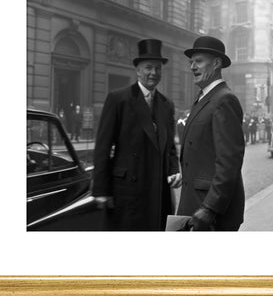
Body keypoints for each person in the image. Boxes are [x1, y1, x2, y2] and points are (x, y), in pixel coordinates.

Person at [92, 39, 181, 231]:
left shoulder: (167, 105)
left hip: (158, 188)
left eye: (158, 68)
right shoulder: (119, 99)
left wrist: (174, 169)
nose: (154, 73)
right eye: (148, 67)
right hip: (127, 189)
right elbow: (103, 146)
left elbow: (170, 147)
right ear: (138, 70)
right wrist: (101, 189)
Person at [177, 36, 245, 231]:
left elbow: (229, 161)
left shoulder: (224, 100)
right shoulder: (205, 98)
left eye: (198, 61)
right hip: (195, 202)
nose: (192, 67)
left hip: (211, 211)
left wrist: (210, 207)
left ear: (216, 63)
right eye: (191, 62)